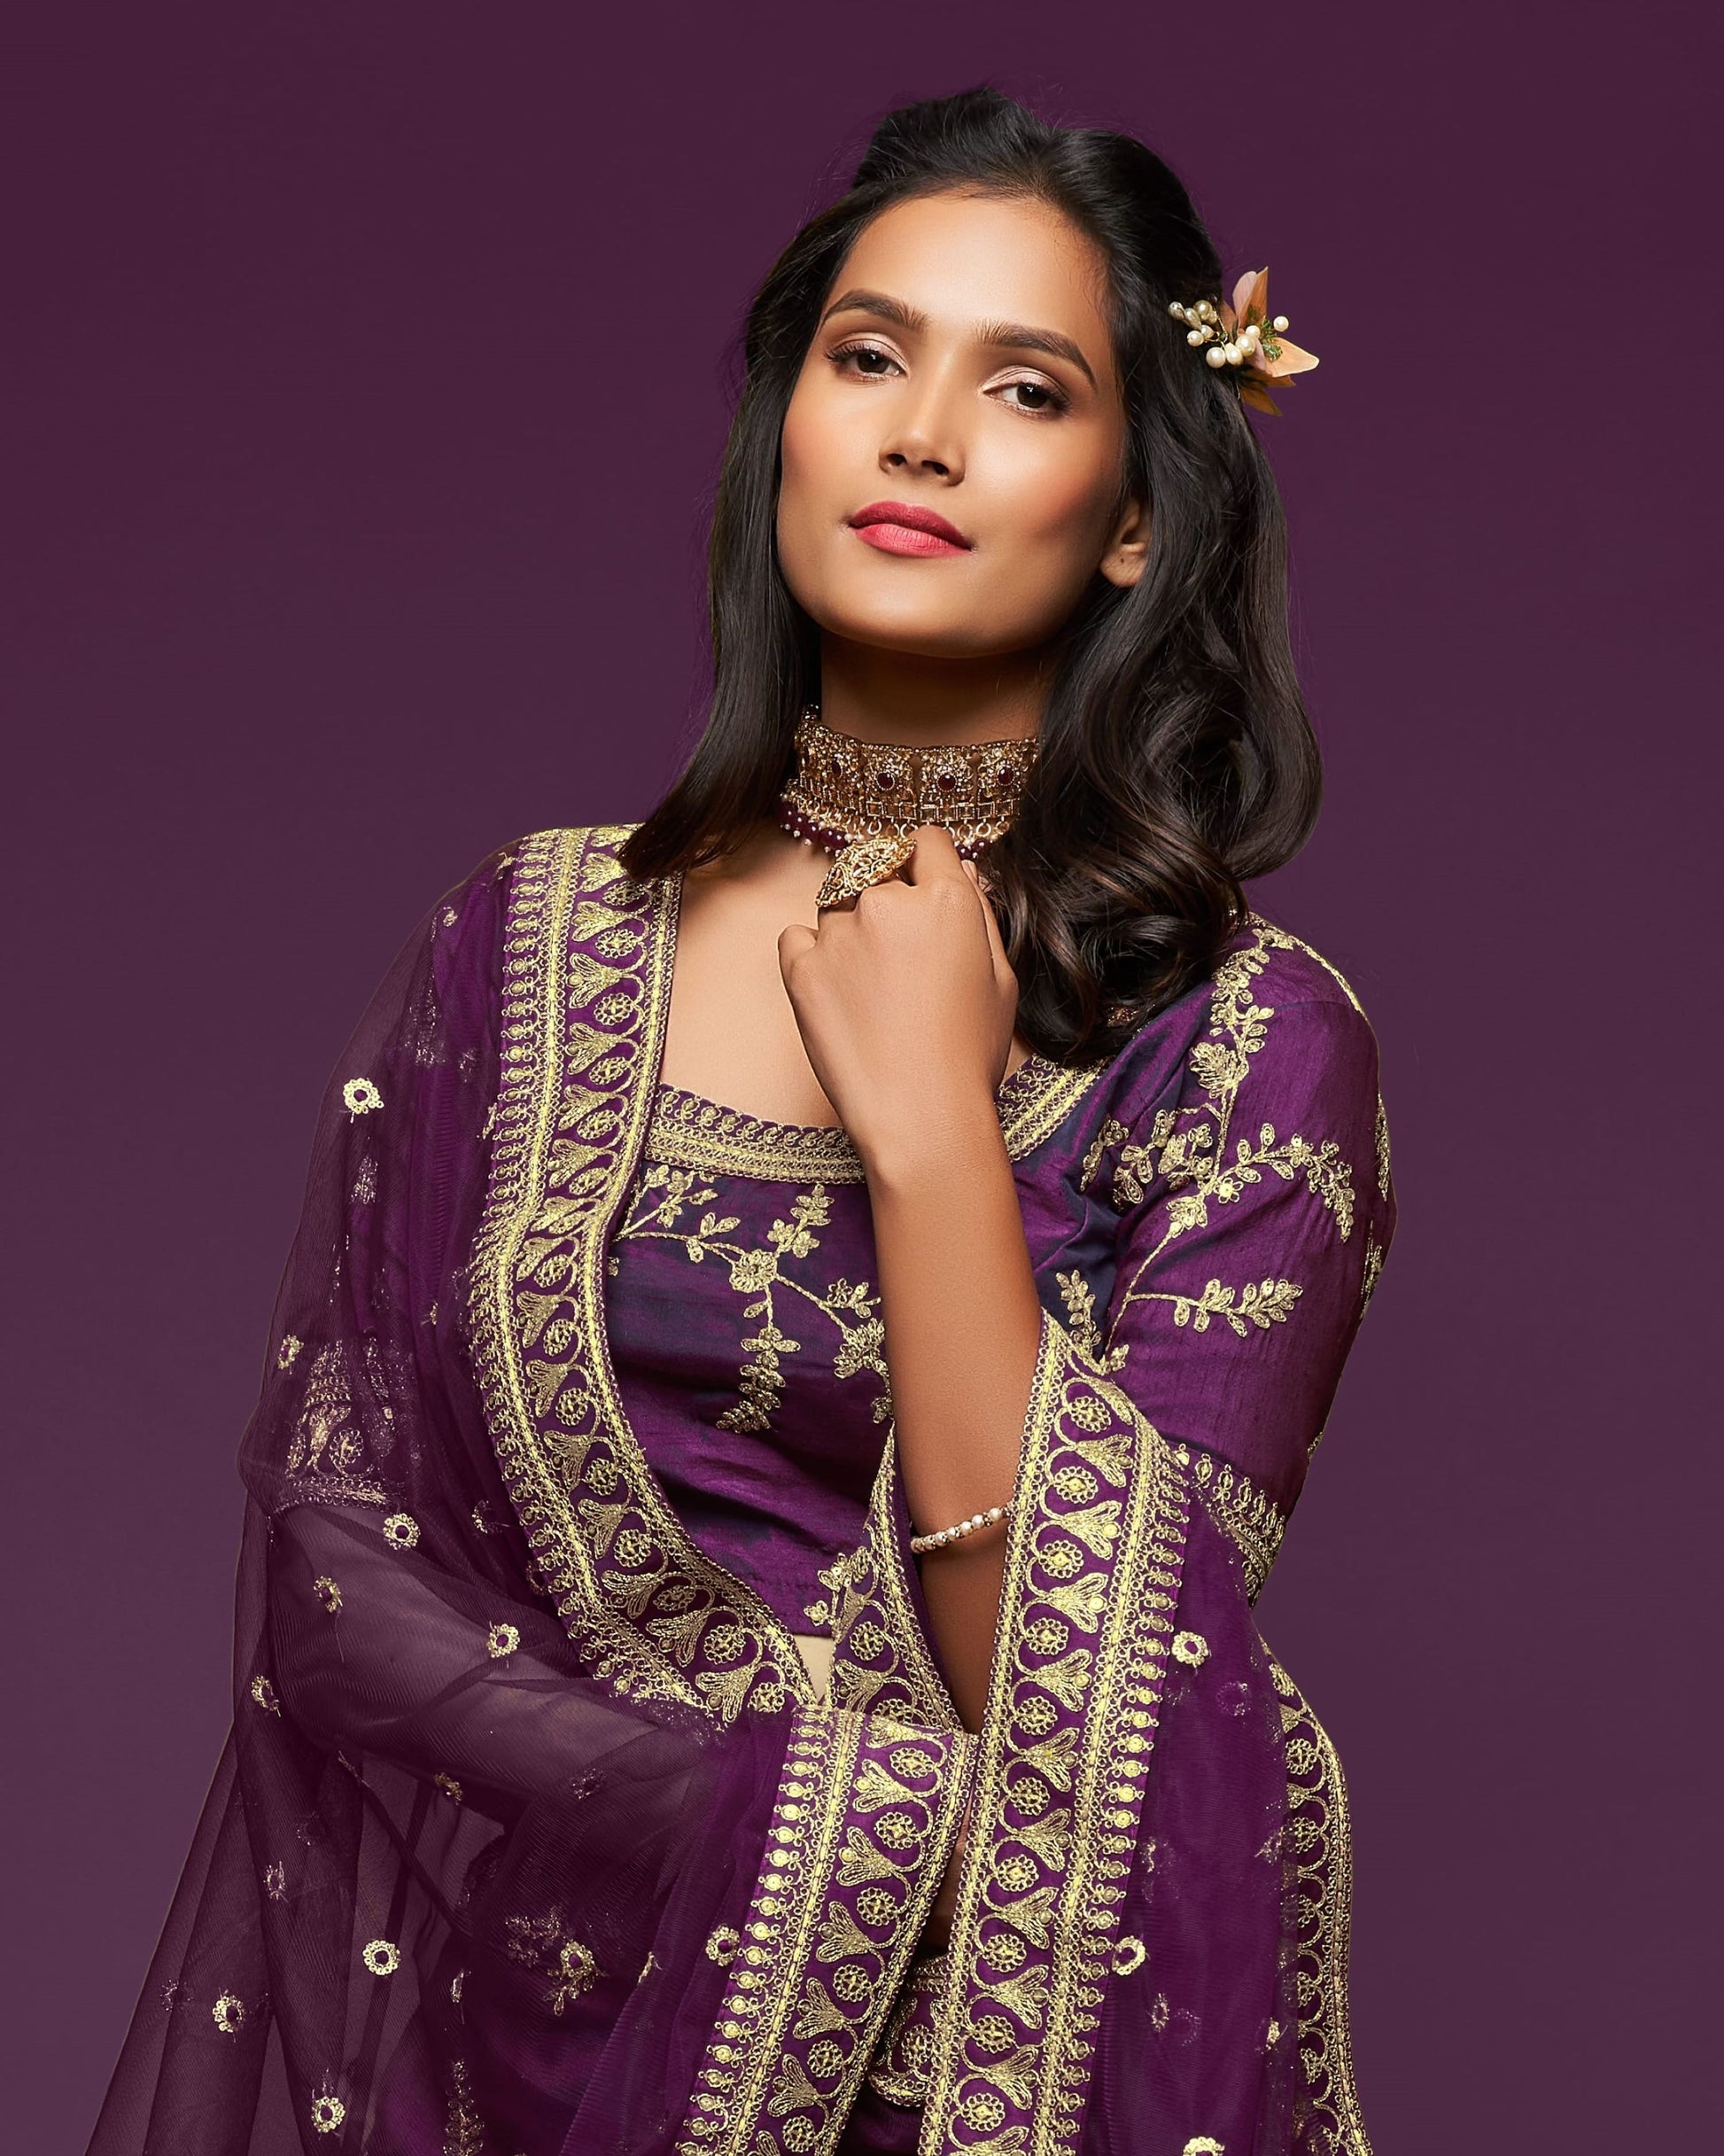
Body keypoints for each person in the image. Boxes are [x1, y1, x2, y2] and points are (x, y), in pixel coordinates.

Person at [88, 85, 1394, 2156]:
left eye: (1026, 387)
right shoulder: (517, 945)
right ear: (786, 416)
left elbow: (1111, 1685)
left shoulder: (1242, 1042)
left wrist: (937, 1147)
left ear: (1135, 513)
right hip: (527, 2050)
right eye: (866, 355)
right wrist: (734, 1819)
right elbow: (344, 1555)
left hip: (985, 2084)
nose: (919, 434)